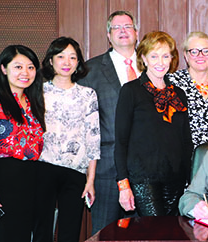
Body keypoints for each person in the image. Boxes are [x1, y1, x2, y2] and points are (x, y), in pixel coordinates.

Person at [115, 31, 193, 217]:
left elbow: (186, 141)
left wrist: (191, 180)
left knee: (173, 235)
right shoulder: (131, 91)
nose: (160, 62)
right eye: (154, 56)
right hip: (143, 179)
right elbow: (121, 142)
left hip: (176, 178)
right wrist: (123, 185)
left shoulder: (179, 94)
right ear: (144, 58)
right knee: (155, 233)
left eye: (165, 56)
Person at [0, 45, 46, 241]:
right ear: (4, 69)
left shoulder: (32, 104)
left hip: (27, 184)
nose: (25, 73)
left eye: (30, 67)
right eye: (18, 67)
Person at [79, 10, 139, 233]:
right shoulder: (90, 70)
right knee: (105, 234)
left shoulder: (152, 65)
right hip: (106, 169)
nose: (123, 31)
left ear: (136, 32)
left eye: (128, 26)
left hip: (144, 169)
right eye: (117, 27)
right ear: (108, 34)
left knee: (145, 234)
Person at [37, 37, 101, 242]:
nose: (66, 62)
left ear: (78, 63)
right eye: (61, 56)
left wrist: (90, 180)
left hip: (75, 171)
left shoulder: (87, 94)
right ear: (50, 61)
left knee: (70, 232)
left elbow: (93, 137)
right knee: (41, 229)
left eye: (72, 57)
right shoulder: (37, 91)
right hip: (42, 168)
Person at [169, 31, 208, 147]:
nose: (200, 56)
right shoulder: (173, 82)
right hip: (185, 156)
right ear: (186, 55)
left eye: (205, 51)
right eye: (194, 52)